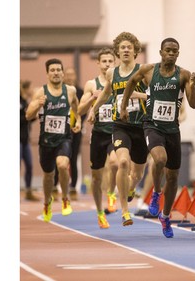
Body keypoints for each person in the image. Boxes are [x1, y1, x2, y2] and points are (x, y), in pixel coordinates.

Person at [121, 37, 195, 238]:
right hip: (152, 126)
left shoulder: (183, 75)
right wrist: (123, 108)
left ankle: (165, 216)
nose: (171, 54)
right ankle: (156, 193)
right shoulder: (148, 71)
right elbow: (130, 82)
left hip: (172, 129)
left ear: (178, 54)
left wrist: (193, 85)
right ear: (161, 52)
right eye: (168, 50)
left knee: (172, 177)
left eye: (175, 51)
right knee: (160, 159)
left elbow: (193, 103)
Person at [87, 32, 148, 226]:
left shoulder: (143, 71)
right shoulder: (112, 73)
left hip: (140, 126)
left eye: (129, 47)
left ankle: (131, 188)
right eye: (122, 47)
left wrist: (135, 94)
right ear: (118, 51)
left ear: (135, 51)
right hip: (120, 126)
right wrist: (93, 110)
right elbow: (106, 94)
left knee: (137, 173)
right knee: (122, 163)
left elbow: (152, 96)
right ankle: (124, 210)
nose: (126, 50)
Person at [26, 58, 82, 222]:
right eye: (52, 70)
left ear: (63, 73)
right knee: (48, 175)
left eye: (58, 70)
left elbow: (75, 106)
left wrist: (77, 120)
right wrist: (37, 104)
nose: (56, 73)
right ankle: (47, 201)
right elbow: (28, 115)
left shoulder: (70, 90)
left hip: (64, 138)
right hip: (46, 141)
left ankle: (65, 198)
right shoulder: (40, 92)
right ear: (47, 74)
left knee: (63, 165)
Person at [78, 47, 118, 229]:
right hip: (99, 134)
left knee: (115, 163)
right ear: (98, 63)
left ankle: (111, 194)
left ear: (114, 62)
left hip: (115, 132)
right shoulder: (91, 84)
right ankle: (100, 213)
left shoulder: (119, 82)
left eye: (110, 61)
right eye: (104, 61)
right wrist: (91, 100)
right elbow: (79, 110)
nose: (107, 64)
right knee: (96, 178)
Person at [52, 67, 85, 201]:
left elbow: (83, 109)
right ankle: (54, 186)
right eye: (68, 74)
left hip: (76, 130)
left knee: (73, 157)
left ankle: (73, 188)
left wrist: (78, 121)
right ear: (64, 76)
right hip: (60, 129)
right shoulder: (60, 91)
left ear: (75, 76)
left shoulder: (81, 91)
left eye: (73, 74)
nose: (70, 77)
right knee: (58, 158)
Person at [20, 80, 39, 201]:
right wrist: (28, 116)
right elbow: (22, 118)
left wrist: (33, 116)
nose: (32, 91)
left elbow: (28, 119)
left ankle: (28, 191)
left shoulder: (25, 101)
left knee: (30, 165)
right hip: (17, 139)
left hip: (25, 140)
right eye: (31, 88)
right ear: (24, 89)